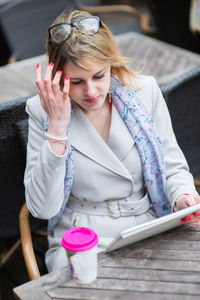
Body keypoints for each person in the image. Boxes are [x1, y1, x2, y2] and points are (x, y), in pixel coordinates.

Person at [24, 9, 200, 273]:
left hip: (147, 224)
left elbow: (172, 167)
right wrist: (58, 126)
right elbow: (42, 208)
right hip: (81, 237)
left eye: (99, 76)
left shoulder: (144, 92)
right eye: (76, 82)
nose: (91, 91)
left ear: (111, 65)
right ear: (57, 77)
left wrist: (183, 196)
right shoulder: (41, 112)